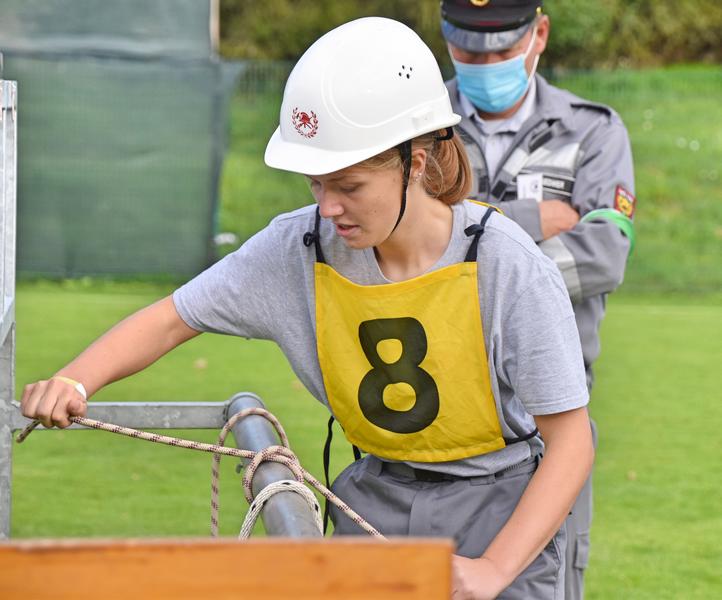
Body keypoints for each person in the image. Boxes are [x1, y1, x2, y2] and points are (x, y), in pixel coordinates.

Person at [21, 17, 593, 599]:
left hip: (500, 512)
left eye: (348, 186)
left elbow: (571, 442)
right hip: (372, 497)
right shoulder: (297, 248)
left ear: (414, 163)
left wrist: (494, 570)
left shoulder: (506, 263)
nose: (328, 208)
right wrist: (75, 378)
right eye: (315, 185)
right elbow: (173, 317)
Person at [440, 1, 637, 598]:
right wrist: (532, 218)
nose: (484, 63)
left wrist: (463, 253)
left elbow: (603, 253)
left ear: (539, 35)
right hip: (439, 415)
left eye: (501, 50)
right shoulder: (420, 127)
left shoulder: (594, 130)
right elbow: (399, 243)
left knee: (546, 581)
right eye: (469, 51)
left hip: (549, 420)